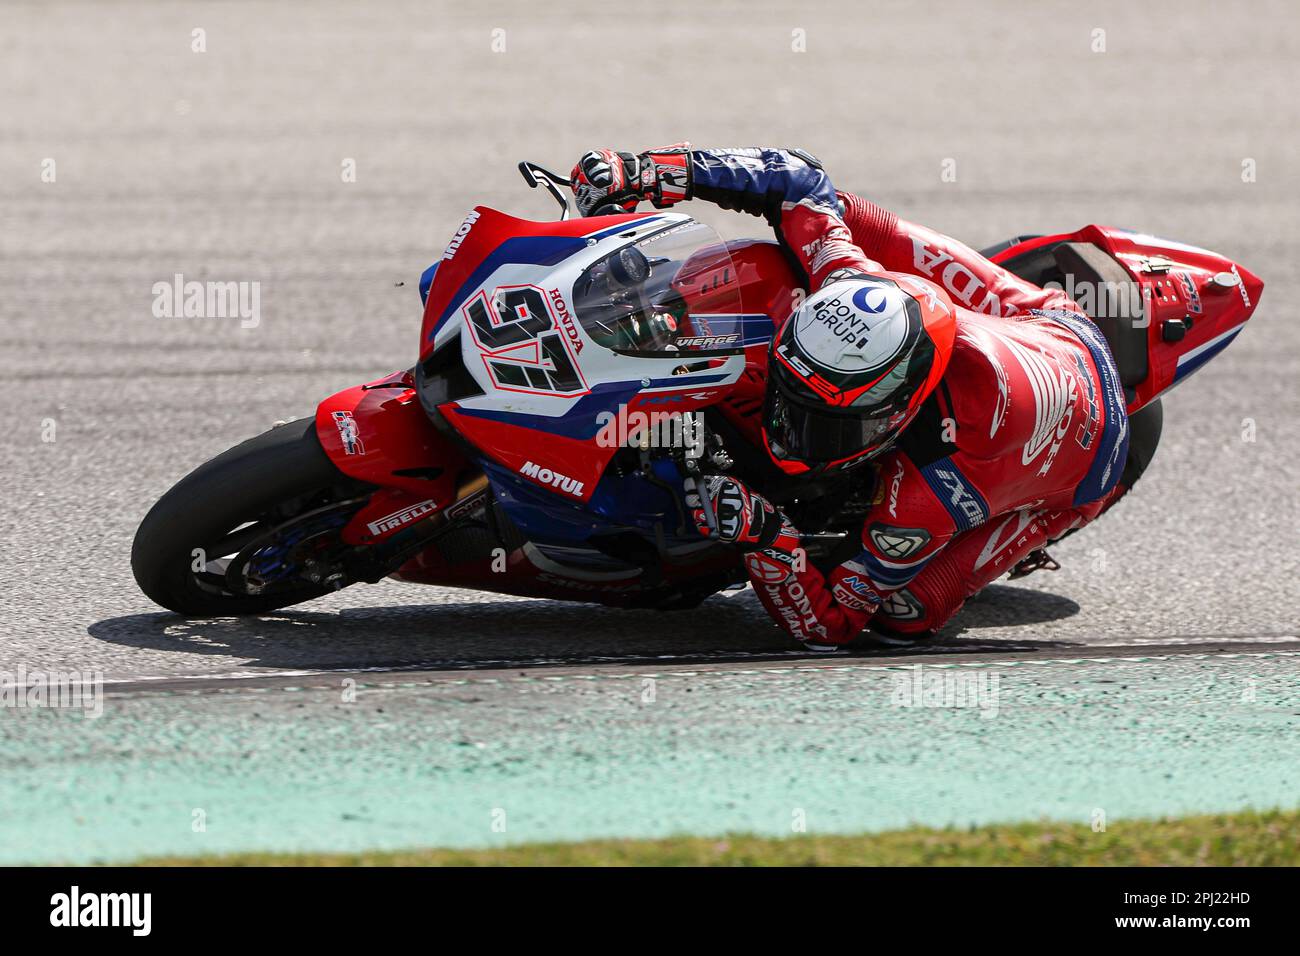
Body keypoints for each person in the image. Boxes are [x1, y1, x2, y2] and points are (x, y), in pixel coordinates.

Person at [570, 146, 1157, 648]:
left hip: (1088, 451)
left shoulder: (936, 492)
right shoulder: (844, 275)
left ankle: (1046, 522)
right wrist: (645, 170)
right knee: (841, 214)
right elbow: (796, 178)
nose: (784, 434)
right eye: (789, 398)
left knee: (904, 616)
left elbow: (832, 628)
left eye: (825, 425)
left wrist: (765, 534)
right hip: (1046, 320)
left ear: (894, 418)